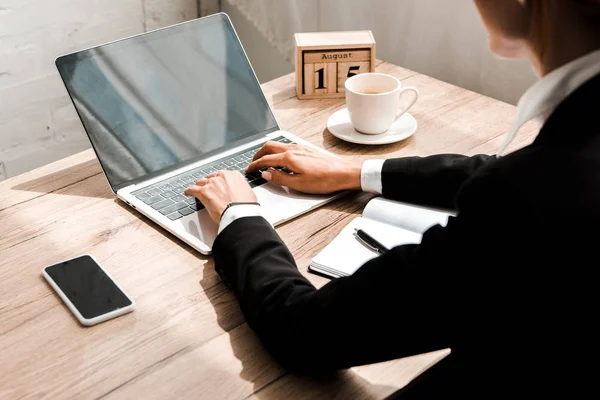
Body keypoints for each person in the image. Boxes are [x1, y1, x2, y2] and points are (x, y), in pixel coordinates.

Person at [185, 0, 600, 397]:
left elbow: (305, 332)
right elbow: (500, 170)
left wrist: (240, 218)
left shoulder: (528, 197)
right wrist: (354, 172)